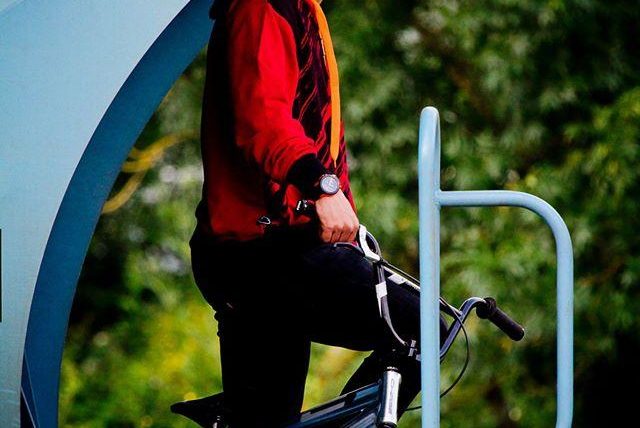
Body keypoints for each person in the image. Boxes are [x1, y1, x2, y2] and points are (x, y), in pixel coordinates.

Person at [189, 0, 444, 426]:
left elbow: (318, 136)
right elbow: (262, 123)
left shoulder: (305, 10)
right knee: (419, 328)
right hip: (258, 252)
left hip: (279, 247)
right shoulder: (262, 7)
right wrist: (322, 186)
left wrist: (341, 218)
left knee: (268, 417)